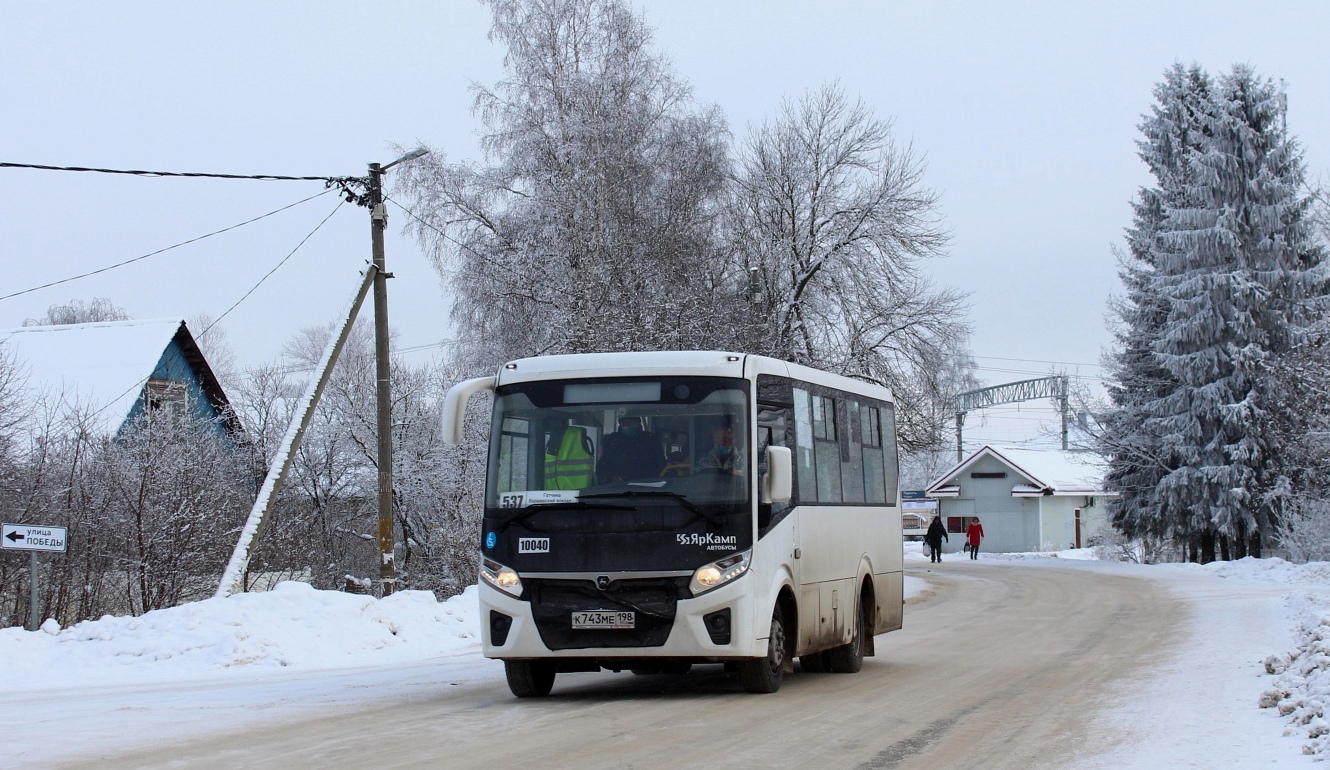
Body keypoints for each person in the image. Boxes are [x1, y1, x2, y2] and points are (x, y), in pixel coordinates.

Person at [597, 415, 664, 482]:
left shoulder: (650, 440)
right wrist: (611, 478)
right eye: (625, 424)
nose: (627, 426)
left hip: (647, 487)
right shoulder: (611, 441)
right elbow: (603, 466)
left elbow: (660, 465)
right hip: (616, 488)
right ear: (620, 425)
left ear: (638, 424)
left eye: (631, 423)